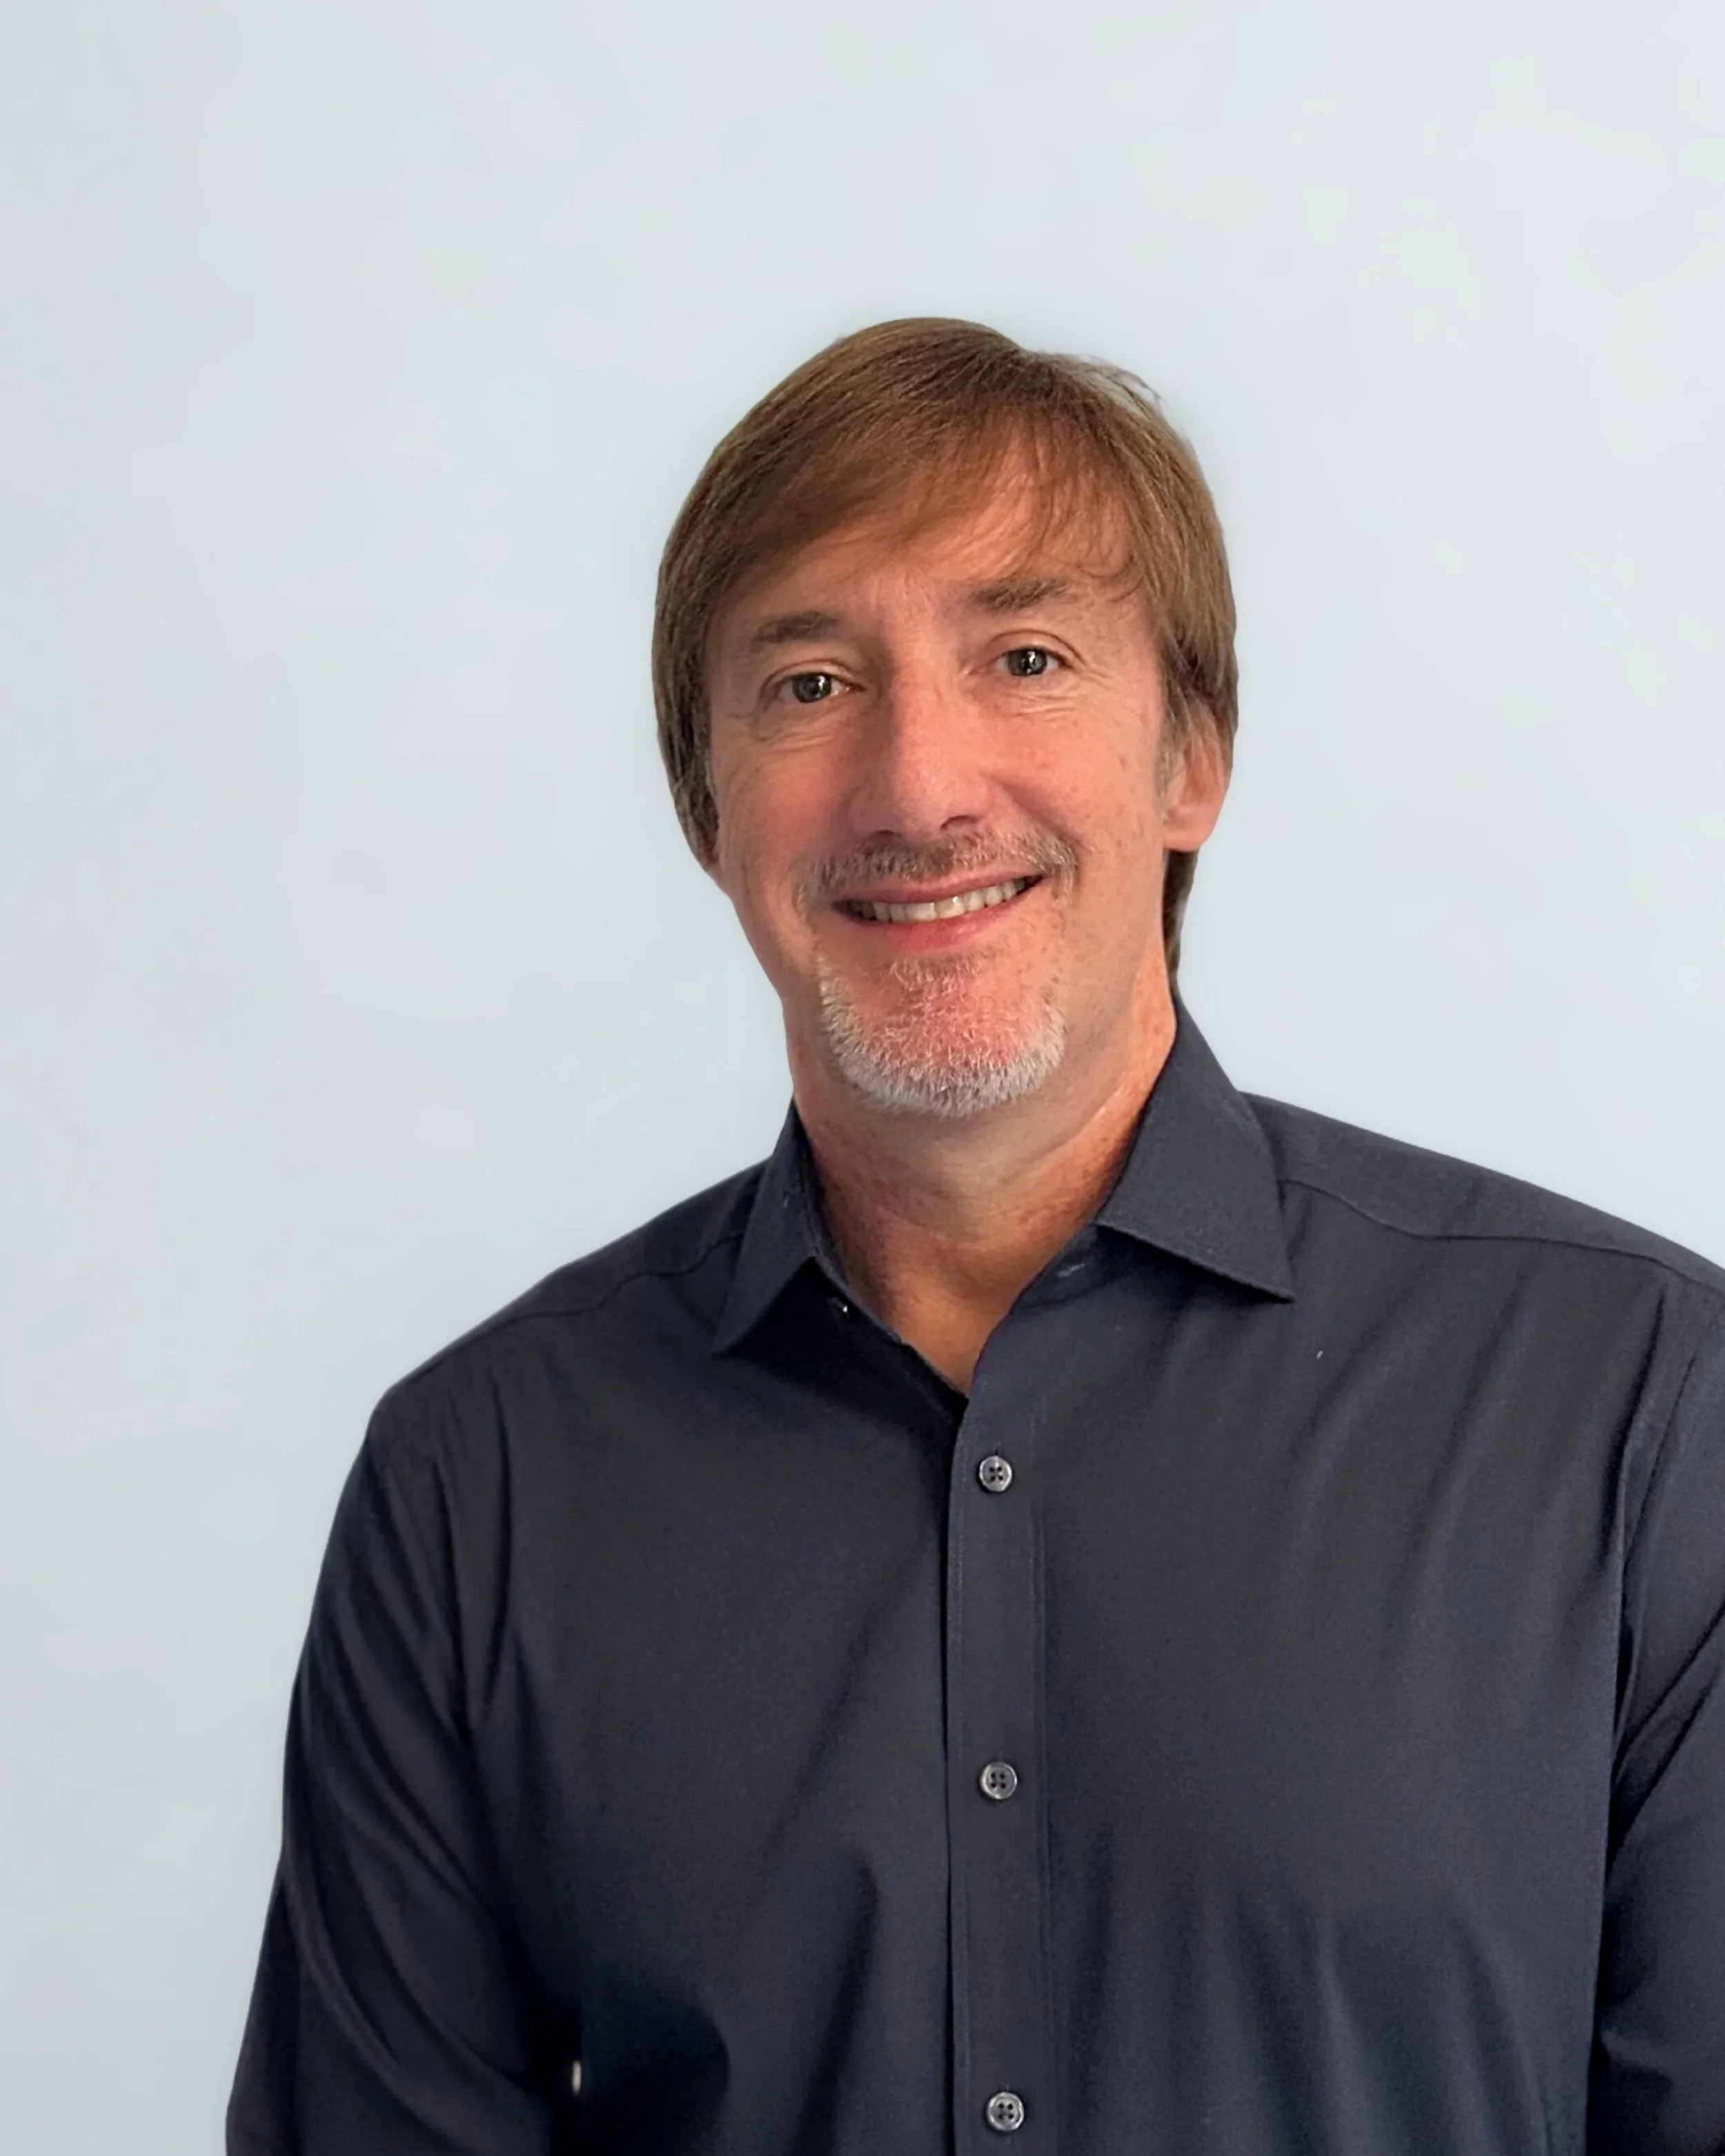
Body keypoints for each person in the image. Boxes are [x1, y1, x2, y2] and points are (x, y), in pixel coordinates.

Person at [228, 318, 1725, 2156]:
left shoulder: (1639, 1411)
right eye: (804, 682)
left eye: (1023, 656)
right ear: (707, 811)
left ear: (1192, 761)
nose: (917, 783)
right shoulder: (480, 1483)